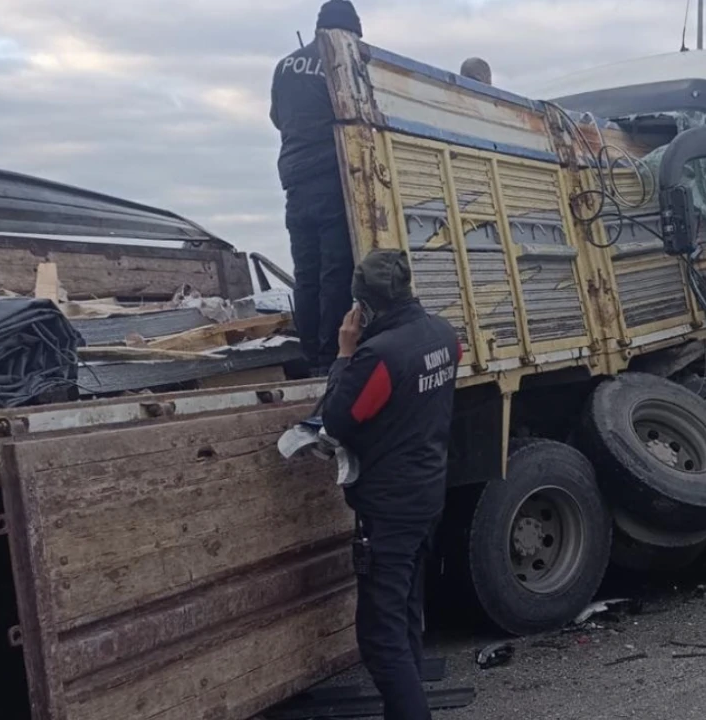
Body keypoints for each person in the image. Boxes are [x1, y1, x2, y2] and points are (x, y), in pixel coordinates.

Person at [320, 250, 461, 720]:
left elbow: (338, 420)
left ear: (364, 306)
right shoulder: (444, 335)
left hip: (390, 509)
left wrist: (344, 356)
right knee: (402, 617)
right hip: (427, 494)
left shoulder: (379, 356)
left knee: (380, 638)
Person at [270, 0, 363, 376]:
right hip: (330, 176)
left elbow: (278, 118)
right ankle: (330, 357)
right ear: (347, 31)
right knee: (336, 271)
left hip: (295, 179)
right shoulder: (341, 59)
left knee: (306, 272)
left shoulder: (284, 65)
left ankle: (310, 354)